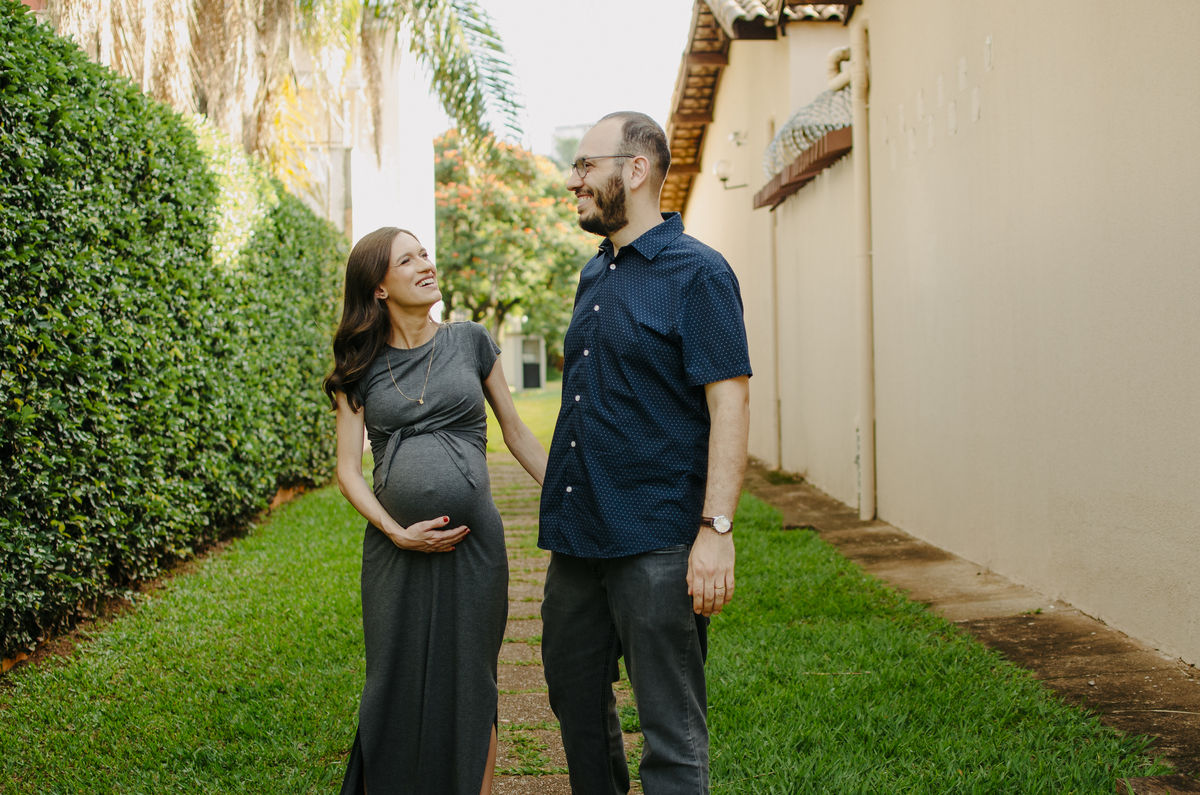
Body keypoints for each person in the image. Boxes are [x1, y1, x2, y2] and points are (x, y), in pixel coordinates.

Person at [539, 111, 752, 794]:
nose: (573, 181)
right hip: (577, 541)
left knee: (672, 729)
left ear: (634, 170)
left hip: (657, 542)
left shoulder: (700, 273)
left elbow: (730, 403)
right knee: (575, 701)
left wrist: (715, 530)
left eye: (584, 166)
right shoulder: (592, 275)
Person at [323, 227, 547, 795]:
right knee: (393, 683)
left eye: (425, 253)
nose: (427, 264)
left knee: (473, 681)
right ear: (378, 287)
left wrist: (571, 499)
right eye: (409, 259)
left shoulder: (471, 340)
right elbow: (349, 468)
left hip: (475, 548)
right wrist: (395, 531)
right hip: (394, 553)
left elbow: (517, 433)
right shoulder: (359, 365)